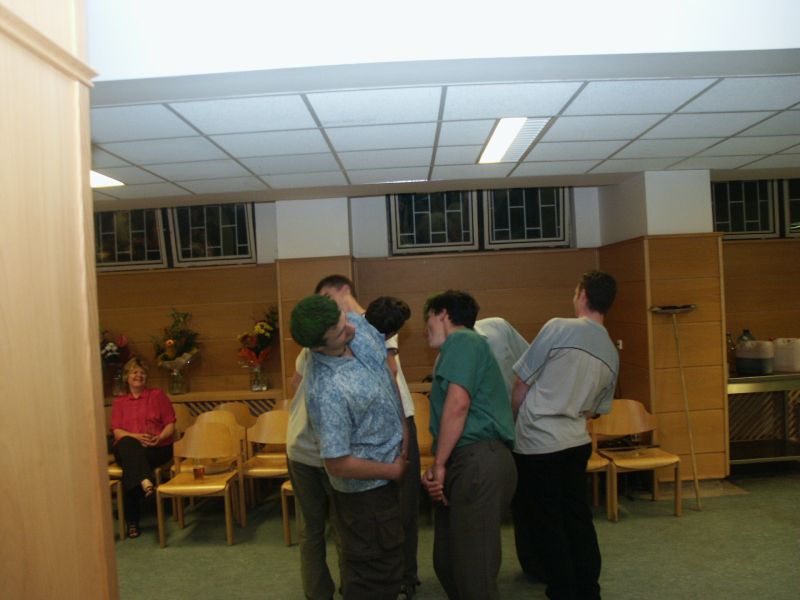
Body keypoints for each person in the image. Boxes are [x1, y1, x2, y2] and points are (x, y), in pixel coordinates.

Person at [511, 270, 619, 600]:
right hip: (576, 442)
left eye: (575, 292)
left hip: (538, 442)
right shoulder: (612, 353)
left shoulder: (558, 327)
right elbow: (595, 410)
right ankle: (588, 589)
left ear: (583, 295)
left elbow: (521, 384)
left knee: (547, 520)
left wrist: (515, 424)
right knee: (578, 517)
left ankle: (562, 590)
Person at [291, 294, 407, 600]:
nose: (352, 329)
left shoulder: (353, 324)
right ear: (318, 348)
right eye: (341, 333)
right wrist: (393, 471)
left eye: (345, 320)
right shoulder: (326, 391)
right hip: (365, 495)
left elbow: (386, 375)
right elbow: (337, 463)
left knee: (390, 563)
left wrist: (404, 435)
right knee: (373, 576)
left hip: (387, 475)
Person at [422, 290, 517, 600]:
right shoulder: (461, 347)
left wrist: (439, 464)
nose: (426, 329)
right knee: (449, 561)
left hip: (478, 460)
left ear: (443, 314)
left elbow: (458, 405)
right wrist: (440, 463)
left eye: (428, 319)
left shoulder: (463, 340)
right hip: (467, 459)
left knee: (474, 569)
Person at [365, 296, 420, 600]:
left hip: (397, 420)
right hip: (394, 422)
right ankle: (397, 577)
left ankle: (404, 576)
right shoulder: (375, 337)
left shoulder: (382, 336)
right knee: (395, 507)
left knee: (401, 506)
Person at [110, 356, 176, 538]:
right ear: (127, 376)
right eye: (134, 372)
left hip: (156, 448)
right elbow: (117, 432)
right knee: (127, 443)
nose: (139, 375)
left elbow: (170, 424)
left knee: (130, 468)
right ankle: (146, 481)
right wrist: (136, 437)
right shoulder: (119, 402)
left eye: (142, 373)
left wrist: (159, 437)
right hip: (128, 447)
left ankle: (132, 522)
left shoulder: (157, 395)